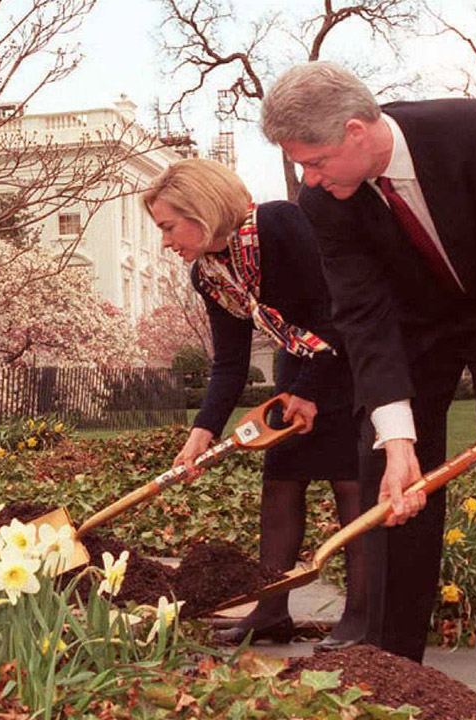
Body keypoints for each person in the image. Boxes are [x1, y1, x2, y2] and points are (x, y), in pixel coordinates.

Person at [261, 62, 476, 705]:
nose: (308, 179)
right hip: (414, 330)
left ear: (358, 131)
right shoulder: (323, 203)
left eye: (315, 161)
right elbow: (361, 313)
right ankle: (398, 661)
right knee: (393, 477)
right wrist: (398, 440)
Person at [144, 158, 366, 652]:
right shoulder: (210, 273)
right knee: (281, 481)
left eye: (167, 226)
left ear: (200, 209)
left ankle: (362, 618)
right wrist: (202, 430)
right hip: (301, 367)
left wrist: (310, 391)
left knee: (352, 484)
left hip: (350, 356)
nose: (165, 241)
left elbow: (332, 307)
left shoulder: (277, 225)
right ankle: (270, 613)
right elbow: (229, 362)